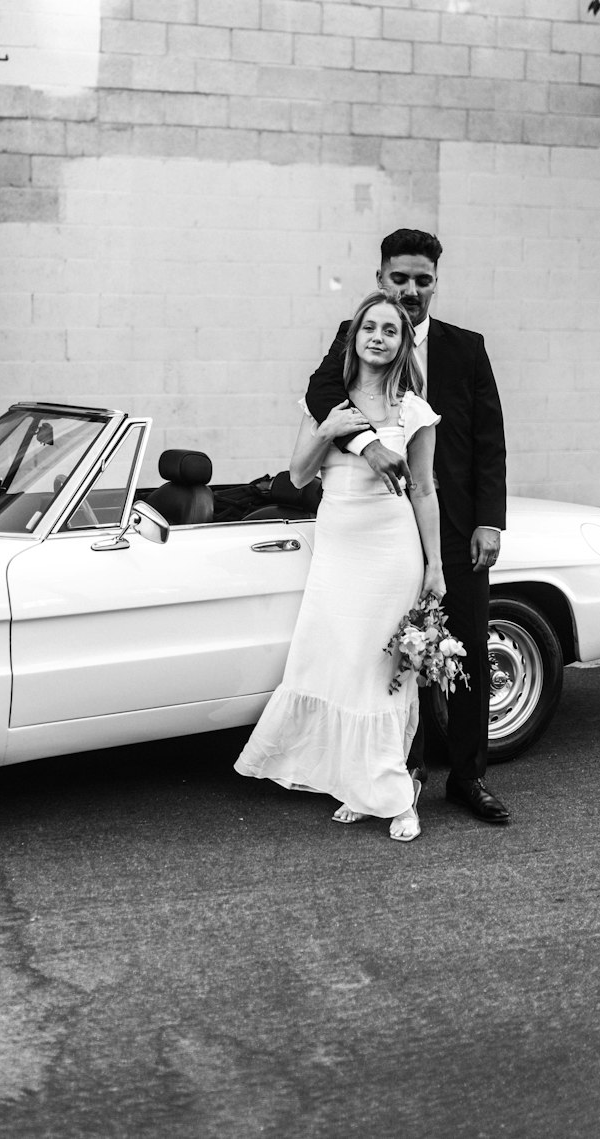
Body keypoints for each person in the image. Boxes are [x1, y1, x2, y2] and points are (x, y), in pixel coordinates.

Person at [304, 228, 510, 826]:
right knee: (397, 656)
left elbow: (488, 443)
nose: (412, 290)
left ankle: (469, 778)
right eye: (401, 279)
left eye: (423, 280)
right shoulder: (358, 337)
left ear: (435, 284)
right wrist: (366, 442)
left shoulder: (466, 348)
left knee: (465, 648)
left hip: (455, 526)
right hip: (390, 534)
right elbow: (319, 396)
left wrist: (489, 523)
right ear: (381, 280)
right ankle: (404, 774)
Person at [235, 292, 444, 841]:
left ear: (403, 344)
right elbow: (300, 476)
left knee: (378, 674)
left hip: (391, 553)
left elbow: (424, 490)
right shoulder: (325, 406)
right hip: (337, 554)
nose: (378, 336)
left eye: (390, 331)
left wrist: (436, 566)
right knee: (336, 665)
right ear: (353, 339)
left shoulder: (414, 410)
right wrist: (327, 429)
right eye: (368, 328)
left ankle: (398, 797)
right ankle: (357, 785)